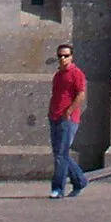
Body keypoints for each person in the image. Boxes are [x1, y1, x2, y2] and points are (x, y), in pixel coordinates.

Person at [47, 43, 88, 199]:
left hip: (68, 118)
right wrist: (51, 113)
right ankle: (80, 180)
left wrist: (69, 111)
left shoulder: (76, 73)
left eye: (66, 55)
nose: (62, 58)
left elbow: (80, 94)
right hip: (55, 117)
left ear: (71, 57)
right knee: (60, 153)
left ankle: (58, 188)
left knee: (61, 154)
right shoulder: (58, 76)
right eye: (60, 56)